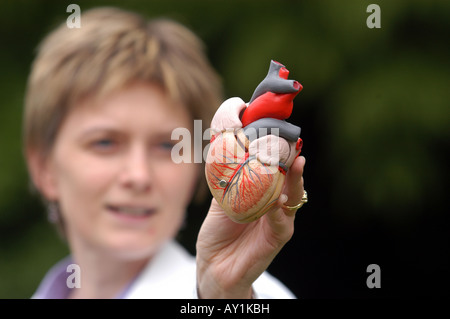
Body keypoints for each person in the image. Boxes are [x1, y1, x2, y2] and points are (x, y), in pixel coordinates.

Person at [24, 7, 306, 299]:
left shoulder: (250, 296)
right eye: (105, 143)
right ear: (44, 167)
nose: (139, 175)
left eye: (167, 146)